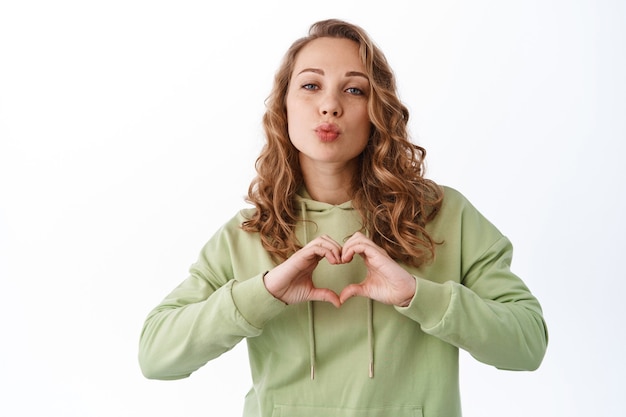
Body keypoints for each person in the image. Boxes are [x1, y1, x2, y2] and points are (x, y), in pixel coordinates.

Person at [138, 18, 548, 417]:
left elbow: (527, 345)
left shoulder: (446, 217)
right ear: (284, 105)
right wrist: (264, 294)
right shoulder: (247, 233)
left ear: (378, 111)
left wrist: (417, 296)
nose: (330, 105)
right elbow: (156, 357)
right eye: (311, 86)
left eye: (354, 90)